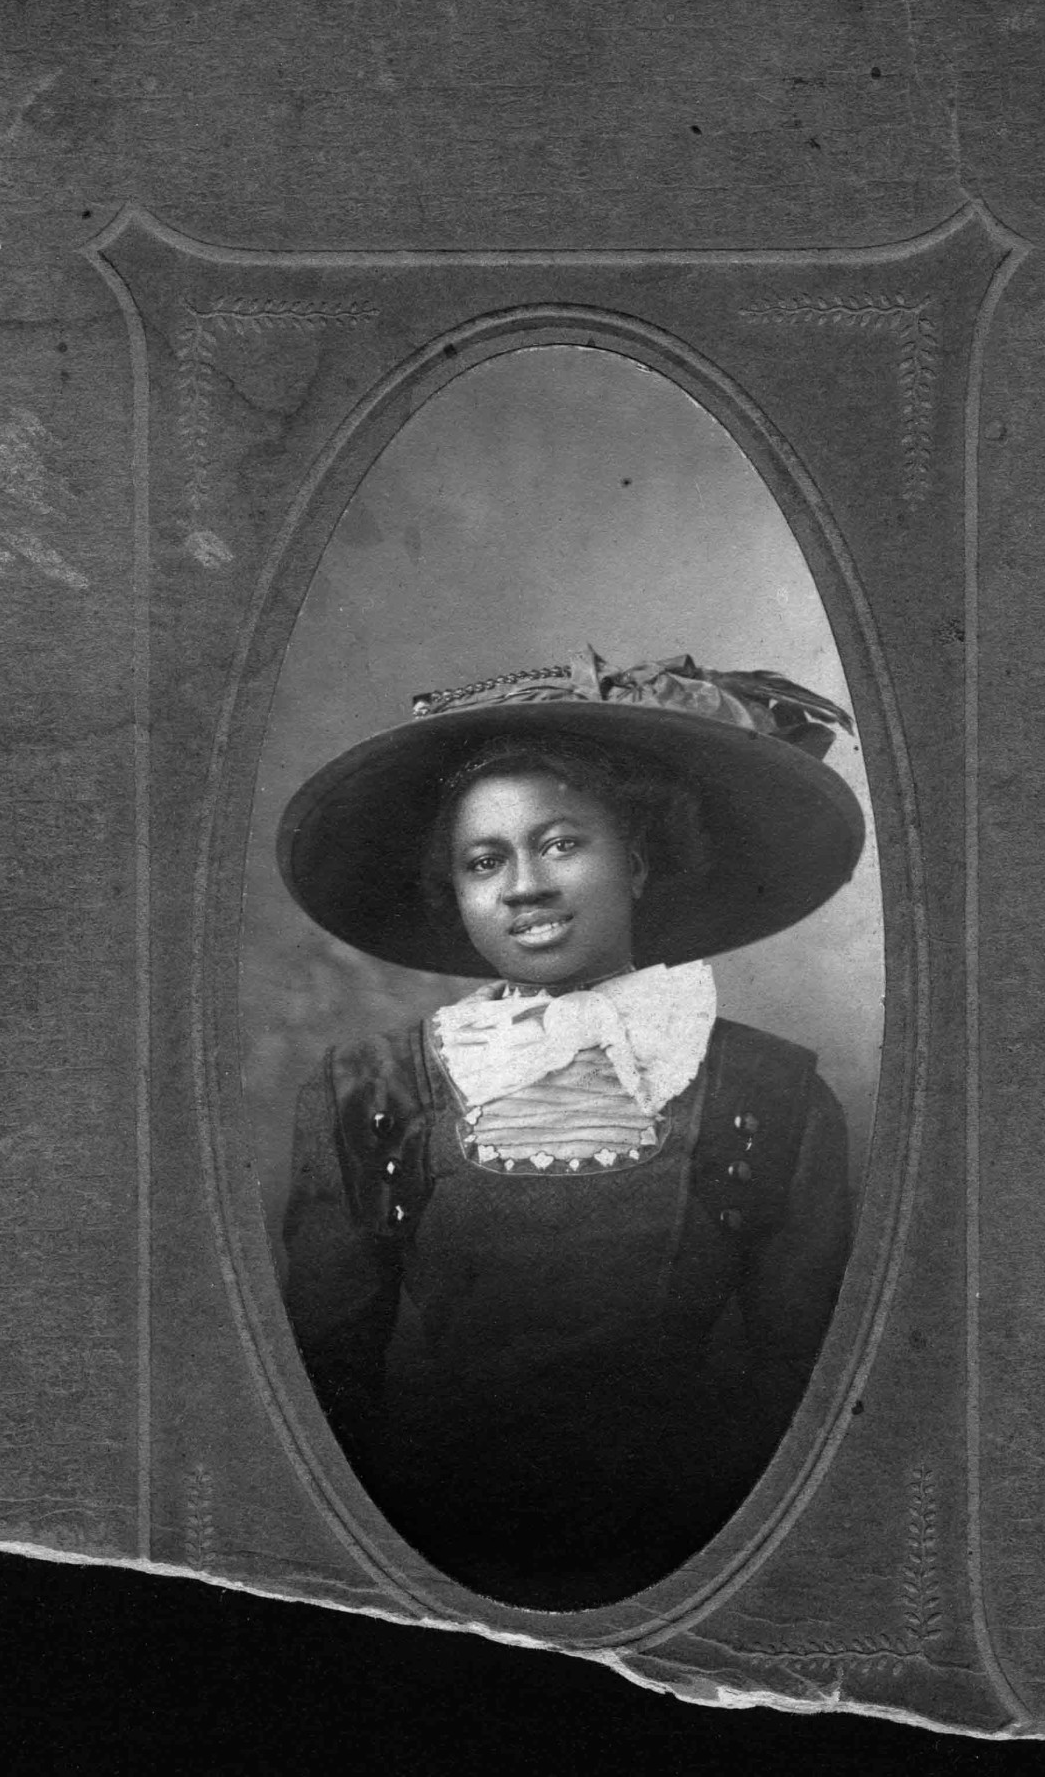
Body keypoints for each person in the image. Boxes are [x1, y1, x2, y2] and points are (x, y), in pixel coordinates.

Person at [276, 647, 865, 1607]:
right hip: (429, 1561)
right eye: (483, 861)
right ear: (456, 892)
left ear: (636, 860)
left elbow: (803, 1386)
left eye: (560, 844)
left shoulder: (774, 1095)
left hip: (692, 1562)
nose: (523, 887)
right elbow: (323, 1386)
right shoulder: (369, 1090)